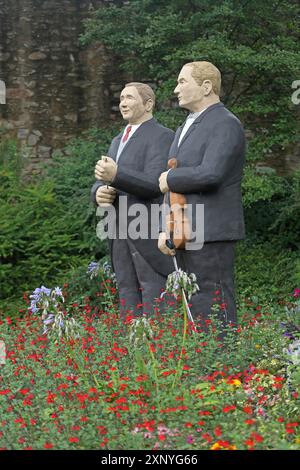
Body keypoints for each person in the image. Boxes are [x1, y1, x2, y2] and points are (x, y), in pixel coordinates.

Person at [158, 61, 246, 330]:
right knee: (194, 310)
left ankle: (226, 372)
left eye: (183, 82)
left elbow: (211, 174)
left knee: (215, 308)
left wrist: (170, 178)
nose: (176, 89)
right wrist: (166, 228)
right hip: (185, 232)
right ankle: (205, 371)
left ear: (206, 86)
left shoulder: (225, 123)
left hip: (212, 232)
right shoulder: (187, 125)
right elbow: (172, 183)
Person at [91, 82, 174, 319]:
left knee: (155, 295)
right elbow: (104, 180)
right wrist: (97, 193)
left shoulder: (163, 136)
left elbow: (154, 184)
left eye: (129, 98)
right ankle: (131, 353)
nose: (123, 103)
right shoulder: (118, 140)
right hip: (118, 231)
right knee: (127, 294)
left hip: (147, 231)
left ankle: (160, 351)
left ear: (148, 104)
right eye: (120, 99)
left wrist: (116, 176)